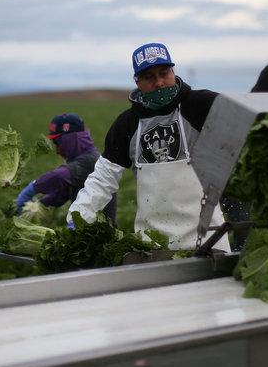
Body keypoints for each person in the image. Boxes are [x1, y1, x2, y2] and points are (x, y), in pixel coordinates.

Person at [67, 43, 230, 252]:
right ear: (137, 81)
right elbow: (103, 178)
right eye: (149, 77)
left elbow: (244, 128)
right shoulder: (127, 124)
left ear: (173, 72)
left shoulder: (202, 105)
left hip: (209, 242)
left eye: (164, 73)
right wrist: (78, 216)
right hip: (152, 247)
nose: (159, 82)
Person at [222, 62, 268, 250]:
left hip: (259, 183)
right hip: (237, 183)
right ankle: (241, 265)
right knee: (245, 233)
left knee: (267, 233)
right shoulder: (250, 109)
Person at [15, 113, 118, 227]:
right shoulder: (83, 160)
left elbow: (59, 176)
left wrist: (31, 189)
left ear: (70, 140)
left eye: (58, 143)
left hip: (101, 236)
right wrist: (40, 205)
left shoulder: (91, 161)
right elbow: (62, 194)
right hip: (89, 232)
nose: (57, 150)